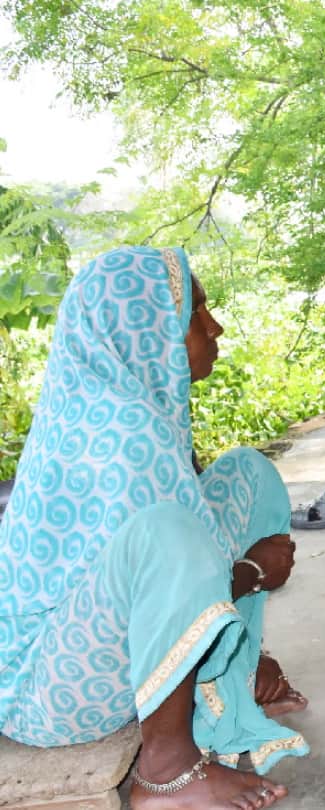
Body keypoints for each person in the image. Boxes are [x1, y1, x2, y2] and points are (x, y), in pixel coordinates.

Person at [0, 246, 308, 809]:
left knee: (248, 474)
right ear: (145, 328)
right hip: (46, 692)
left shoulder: (133, 408)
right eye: (195, 314)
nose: (214, 327)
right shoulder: (120, 431)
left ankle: (223, 679)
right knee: (171, 532)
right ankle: (166, 769)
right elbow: (166, 576)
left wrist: (237, 645)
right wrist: (251, 572)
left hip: (90, 646)